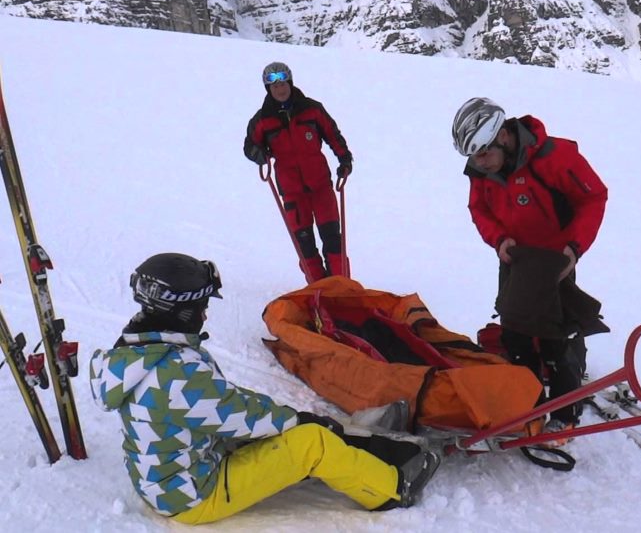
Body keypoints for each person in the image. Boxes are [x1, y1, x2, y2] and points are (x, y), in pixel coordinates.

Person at [89, 253, 439, 524]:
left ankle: (354, 448)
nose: (205, 316)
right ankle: (392, 488)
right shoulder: (174, 373)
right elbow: (239, 415)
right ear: (181, 313)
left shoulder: (138, 354)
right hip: (193, 495)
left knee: (286, 429)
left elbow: (225, 404)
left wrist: (292, 420)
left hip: (176, 475)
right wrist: (304, 423)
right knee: (310, 444)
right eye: (201, 308)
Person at [451, 97, 608, 446]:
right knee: (514, 332)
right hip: (515, 258)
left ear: (503, 138)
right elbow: (478, 208)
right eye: (474, 157)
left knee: (556, 337)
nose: (479, 164)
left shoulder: (554, 159)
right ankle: (529, 405)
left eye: (483, 154)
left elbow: (593, 197)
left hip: (555, 260)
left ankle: (565, 415)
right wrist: (499, 240)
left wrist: (574, 248)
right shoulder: (483, 169)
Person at [243, 61, 352, 283]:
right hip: (292, 192)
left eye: (283, 84)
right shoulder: (262, 120)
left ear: (290, 83)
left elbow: (333, 134)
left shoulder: (312, 109)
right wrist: (260, 155)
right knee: (305, 245)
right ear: (268, 89)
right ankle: (318, 288)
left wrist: (344, 159)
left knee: (332, 239)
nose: (280, 89)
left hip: (321, 186)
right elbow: (249, 146)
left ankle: (341, 286)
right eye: (274, 86)